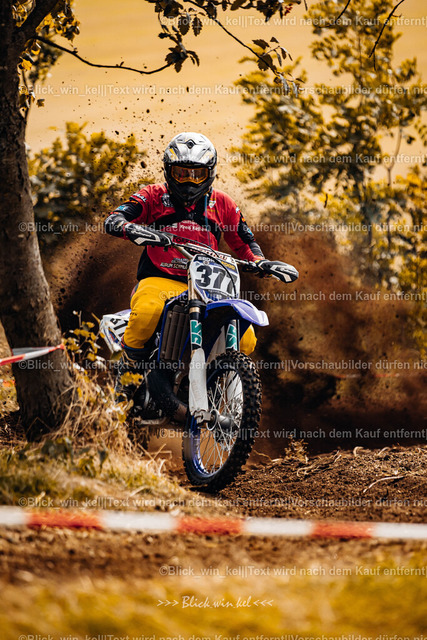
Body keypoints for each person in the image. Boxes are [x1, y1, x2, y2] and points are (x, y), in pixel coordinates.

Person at [104, 131, 266, 409]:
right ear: (168, 171)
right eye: (181, 173)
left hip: (208, 287)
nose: (189, 182)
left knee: (246, 337)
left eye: (197, 174)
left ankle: (221, 390)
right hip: (160, 279)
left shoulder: (223, 204)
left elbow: (245, 242)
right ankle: (126, 383)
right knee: (146, 315)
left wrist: (260, 261)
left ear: (210, 173)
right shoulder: (154, 195)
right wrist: (130, 228)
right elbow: (116, 217)